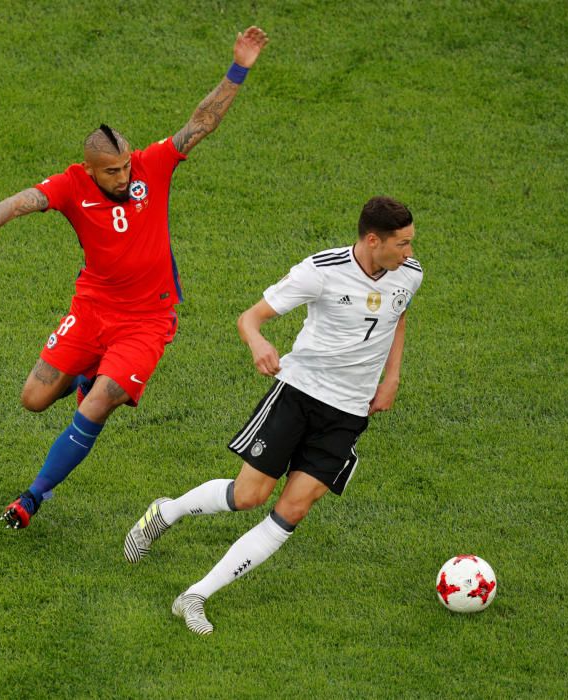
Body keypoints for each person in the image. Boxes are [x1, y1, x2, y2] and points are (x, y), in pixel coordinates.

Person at [0, 27, 269, 530]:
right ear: (90, 170)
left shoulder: (152, 166)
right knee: (33, 400)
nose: (124, 177)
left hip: (147, 320)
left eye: (126, 167)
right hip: (92, 309)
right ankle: (90, 373)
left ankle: (33, 497)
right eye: (112, 172)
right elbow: (21, 200)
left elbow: (201, 122)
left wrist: (240, 67)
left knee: (100, 401)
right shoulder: (70, 185)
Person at [124, 196, 423, 634]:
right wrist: (258, 342)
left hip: (349, 414)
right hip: (299, 395)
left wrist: (392, 378)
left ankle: (195, 596)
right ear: (373, 240)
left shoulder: (408, 275)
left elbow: (398, 316)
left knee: (293, 509)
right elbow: (250, 318)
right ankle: (167, 512)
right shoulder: (320, 271)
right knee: (249, 496)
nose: (410, 253)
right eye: (403, 244)